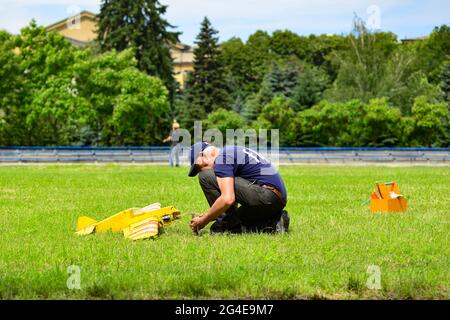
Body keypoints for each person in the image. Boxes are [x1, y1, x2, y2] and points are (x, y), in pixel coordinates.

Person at [188, 142, 290, 234]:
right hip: (276, 200)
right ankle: (275, 222)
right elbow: (233, 197)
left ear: (202, 155)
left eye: (199, 167)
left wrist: (203, 221)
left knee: (205, 176)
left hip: (266, 195)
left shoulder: (222, 159)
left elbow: (228, 199)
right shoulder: (230, 151)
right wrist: (209, 215)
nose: (202, 169)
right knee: (234, 222)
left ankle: (227, 225)